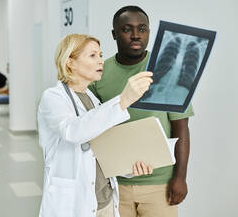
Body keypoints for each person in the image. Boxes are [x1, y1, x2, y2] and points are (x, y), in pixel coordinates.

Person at [89, 6, 194, 217]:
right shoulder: (99, 73)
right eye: (127, 29)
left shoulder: (168, 71)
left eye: (142, 29)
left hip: (159, 183)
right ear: (114, 34)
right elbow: (91, 127)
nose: (136, 35)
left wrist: (180, 177)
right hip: (114, 182)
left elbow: (181, 127)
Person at [38, 34, 154, 217]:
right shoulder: (53, 98)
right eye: (92, 55)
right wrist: (123, 100)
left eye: (101, 55)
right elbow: (73, 131)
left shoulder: (93, 100)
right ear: (70, 62)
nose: (101, 61)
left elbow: (103, 151)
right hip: (74, 204)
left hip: (104, 200)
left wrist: (130, 167)